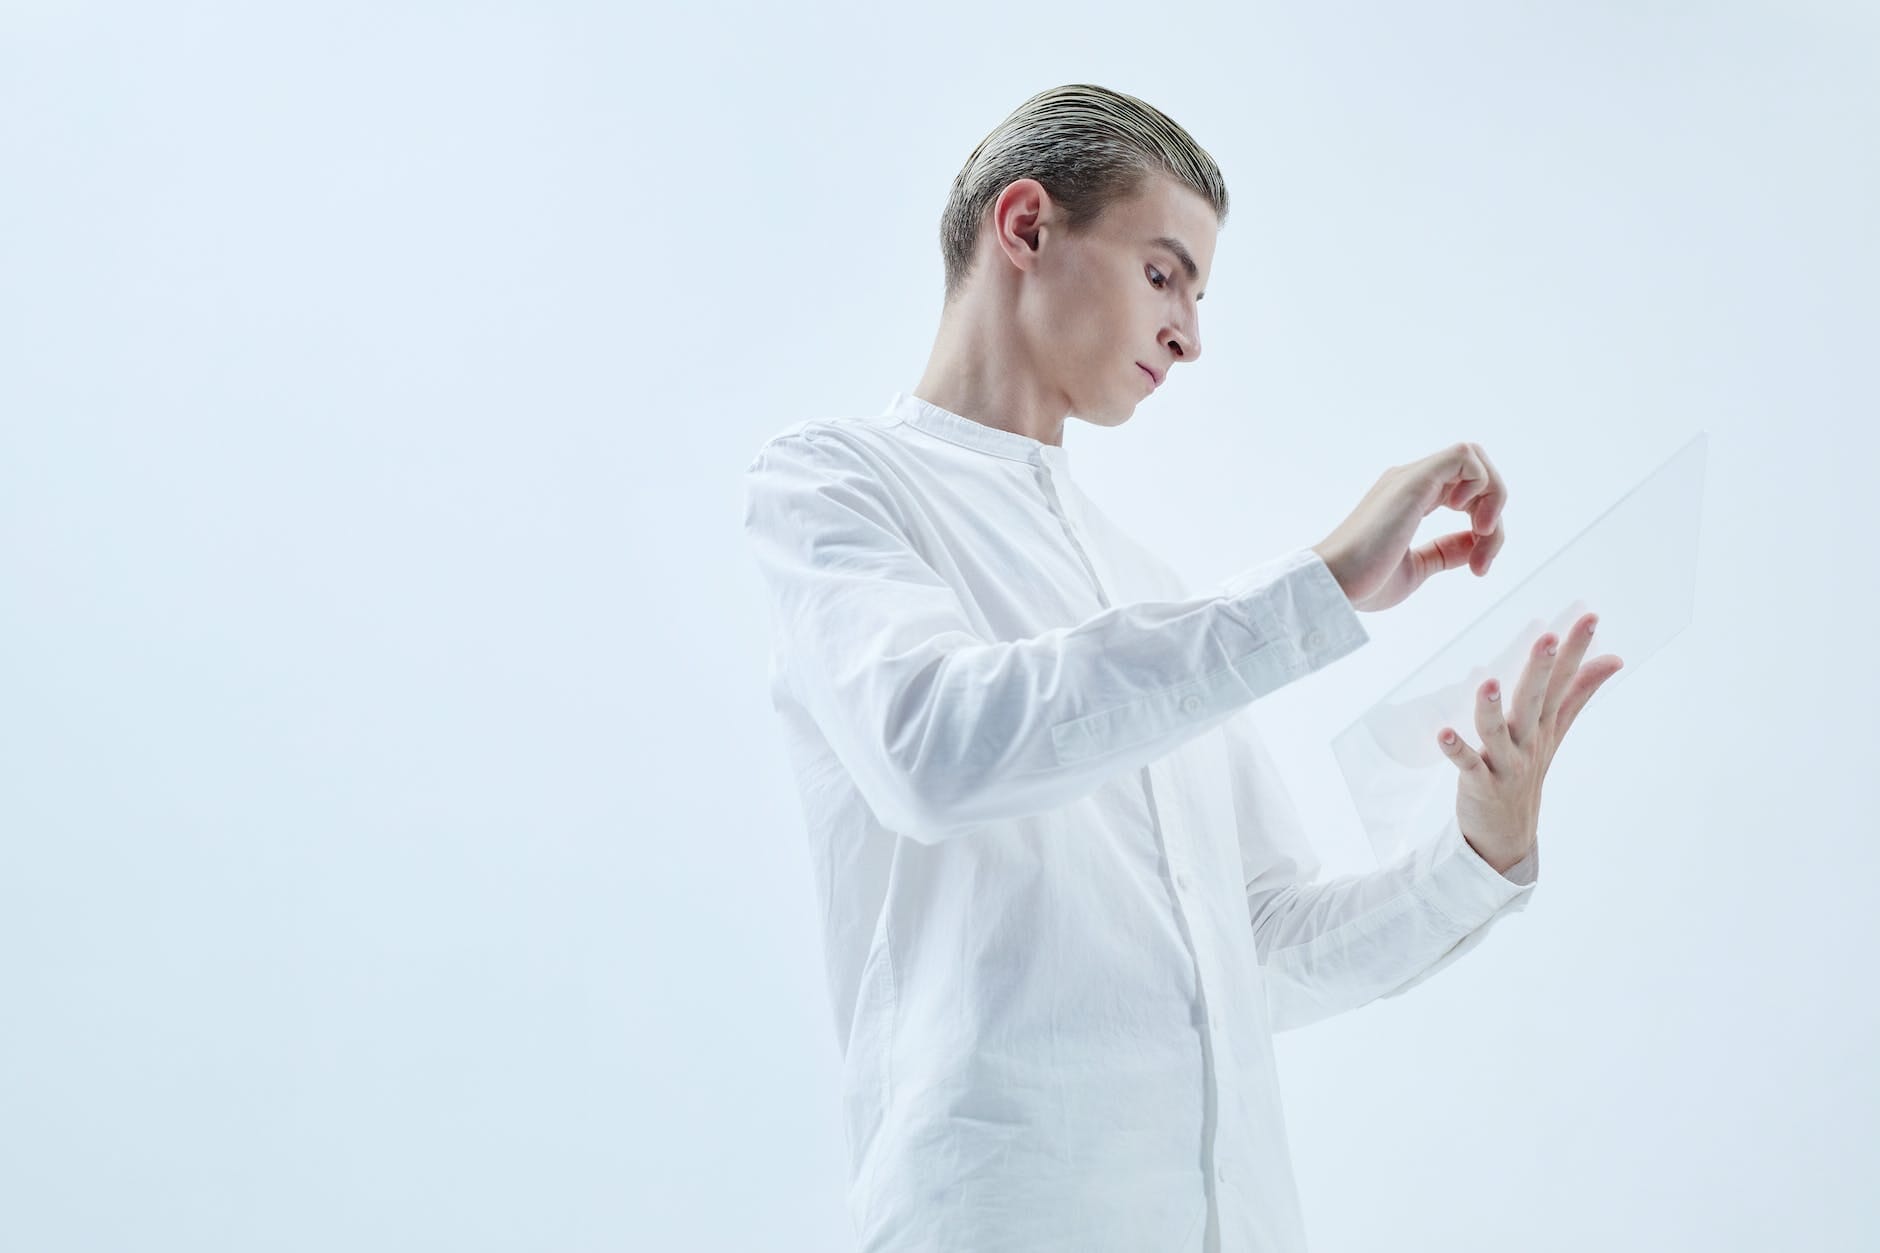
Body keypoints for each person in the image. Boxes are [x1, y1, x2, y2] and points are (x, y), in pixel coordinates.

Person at [740, 82, 1623, 1253]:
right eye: (1164, 274)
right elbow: (931, 750)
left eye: (1199, 294)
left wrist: (1477, 849)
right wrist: (1310, 587)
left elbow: (1260, 949)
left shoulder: (1150, 588)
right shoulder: (835, 484)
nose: (1190, 334)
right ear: (1024, 227)